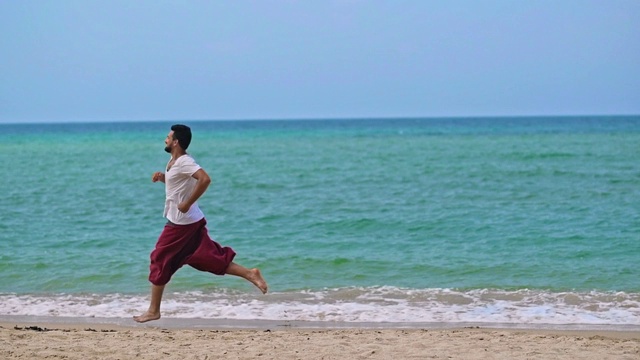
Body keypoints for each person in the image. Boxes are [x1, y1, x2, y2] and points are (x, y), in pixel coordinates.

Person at [134, 124, 267, 323]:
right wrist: (164, 179)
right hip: (190, 221)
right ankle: (250, 273)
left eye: (168, 137)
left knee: (159, 259)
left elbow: (204, 179)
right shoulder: (173, 161)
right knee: (208, 258)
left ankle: (154, 310)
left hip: (181, 224)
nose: (165, 140)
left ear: (176, 142)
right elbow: (180, 185)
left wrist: (187, 203)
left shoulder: (185, 162)